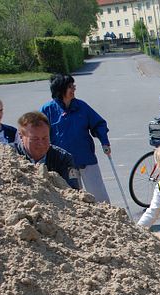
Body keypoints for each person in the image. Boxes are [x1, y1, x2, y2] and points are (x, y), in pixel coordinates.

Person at [40, 73, 111, 202]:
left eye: (73, 86)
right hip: (62, 163)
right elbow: (40, 132)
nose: (74, 89)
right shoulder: (48, 110)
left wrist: (104, 142)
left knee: (99, 195)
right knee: (71, 198)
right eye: (70, 87)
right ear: (60, 90)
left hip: (86, 157)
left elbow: (98, 124)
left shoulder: (81, 107)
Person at [12, 111, 80, 190]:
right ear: (21, 136)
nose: (41, 143)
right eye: (35, 139)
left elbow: (73, 192)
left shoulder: (63, 158)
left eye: (45, 138)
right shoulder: (9, 155)